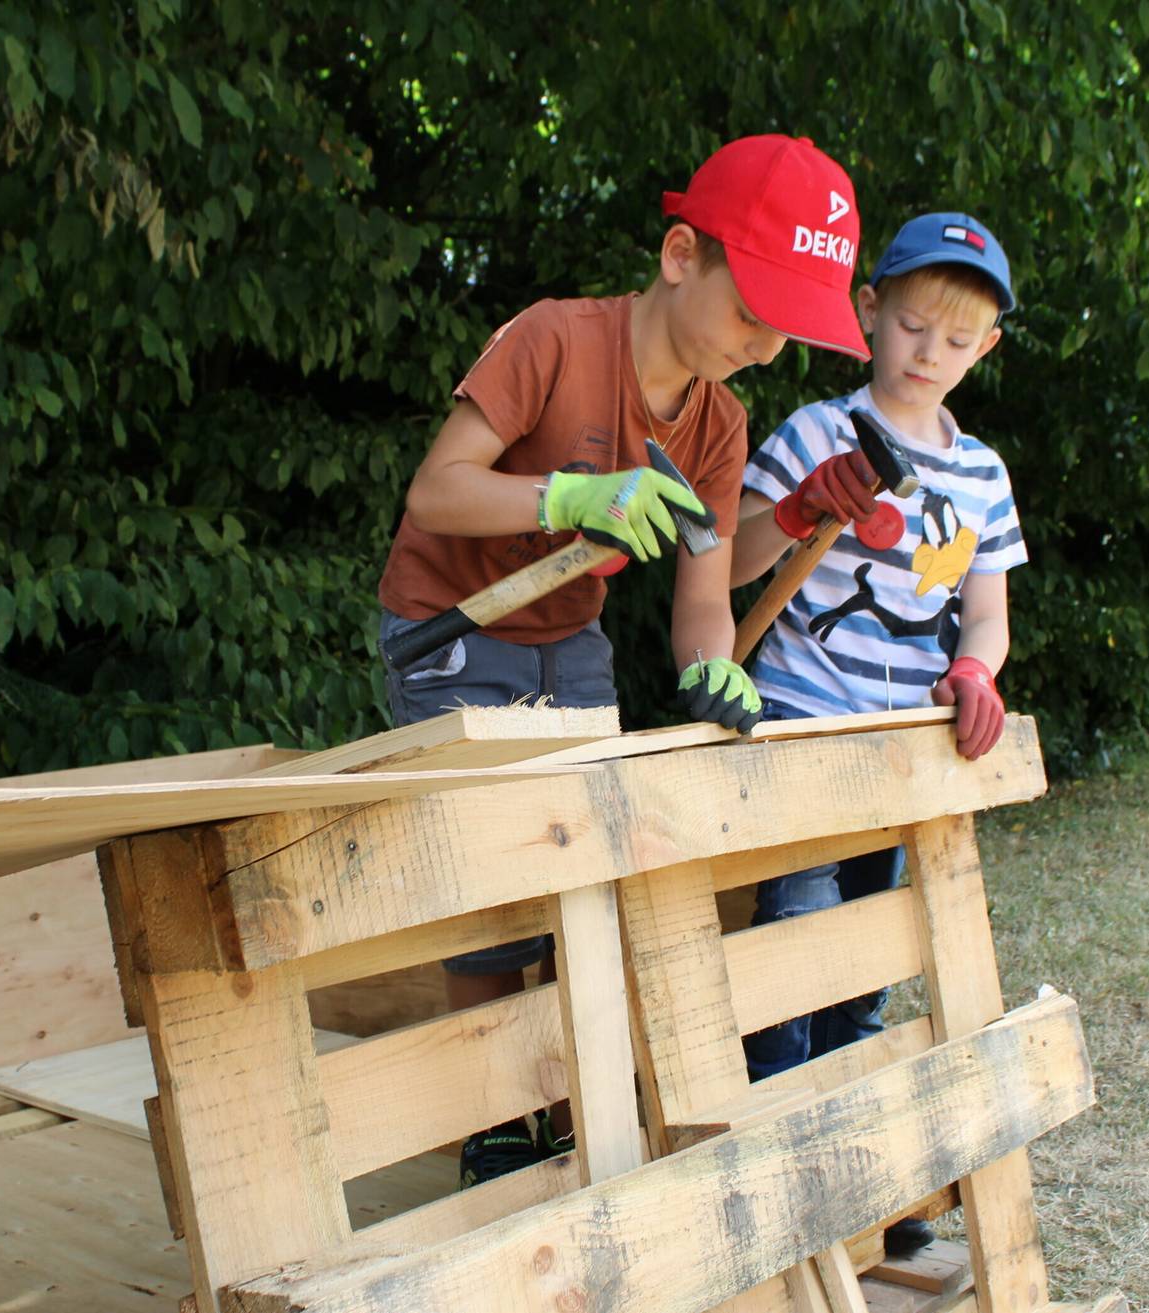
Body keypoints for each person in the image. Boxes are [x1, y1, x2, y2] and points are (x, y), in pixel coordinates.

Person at [377, 135, 872, 1187]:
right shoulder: (553, 340)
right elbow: (436, 493)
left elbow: (704, 596)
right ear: (682, 253)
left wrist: (712, 669)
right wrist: (563, 496)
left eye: (789, 330)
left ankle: (566, 1095)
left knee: (586, 858)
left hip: (570, 636)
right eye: (754, 311)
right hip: (452, 624)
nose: (765, 345)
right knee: (492, 886)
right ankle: (495, 1120)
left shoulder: (720, 426)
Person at [725, 212, 1026, 1252]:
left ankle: (857, 1184)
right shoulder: (816, 430)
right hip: (801, 730)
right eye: (909, 326)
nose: (927, 353)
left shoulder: (981, 474)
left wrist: (976, 667)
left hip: (902, 755)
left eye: (954, 339)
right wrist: (805, 507)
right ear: (867, 313)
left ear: (983, 349)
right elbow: (726, 570)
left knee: (866, 965)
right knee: (792, 947)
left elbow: (983, 611)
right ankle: (774, 1190)